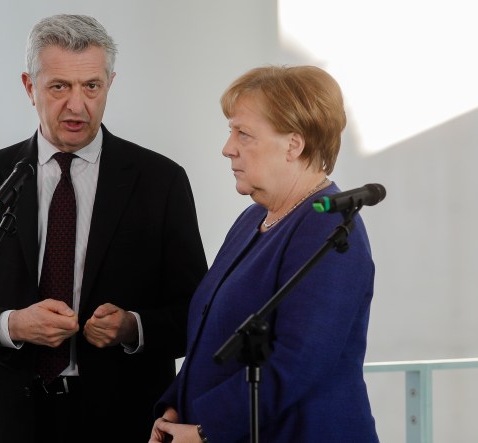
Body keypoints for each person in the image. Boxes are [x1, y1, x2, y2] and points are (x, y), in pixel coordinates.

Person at [0, 14, 208, 443]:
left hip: (126, 419)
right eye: (59, 87)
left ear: (109, 84)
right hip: (12, 419)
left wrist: (133, 327)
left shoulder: (160, 181)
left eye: (91, 86)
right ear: (29, 87)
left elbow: (197, 313)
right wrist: (14, 325)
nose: (77, 105)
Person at [149, 65, 380, 443]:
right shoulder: (253, 217)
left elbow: (298, 362)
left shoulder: (331, 226)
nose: (228, 148)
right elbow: (211, 333)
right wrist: (174, 409)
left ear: (293, 144)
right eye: (230, 131)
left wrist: (207, 431)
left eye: (244, 134)